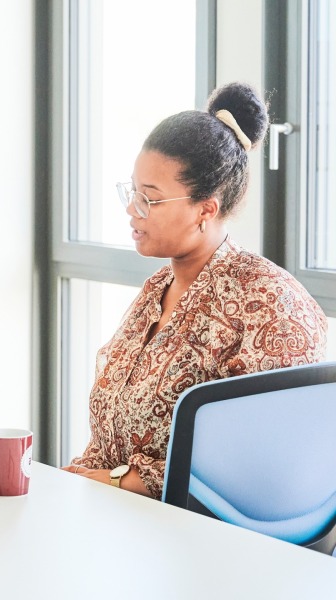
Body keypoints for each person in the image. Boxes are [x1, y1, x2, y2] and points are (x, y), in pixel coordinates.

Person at [63, 82, 328, 498]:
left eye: (150, 199)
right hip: (115, 514)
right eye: (132, 191)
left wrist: (120, 482)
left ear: (206, 209)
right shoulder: (157, 290)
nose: (133, 210)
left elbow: (264, 464)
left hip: (200, 539)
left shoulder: (269, 305)